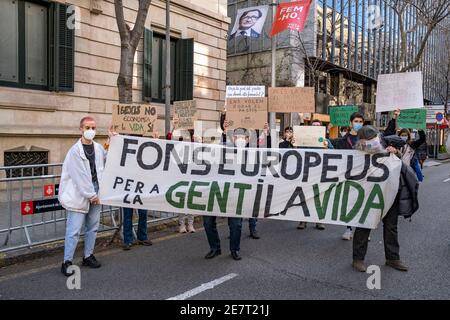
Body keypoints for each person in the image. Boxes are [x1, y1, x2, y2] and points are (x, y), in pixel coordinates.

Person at [352, 126, 419, 273]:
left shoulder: (387, 144)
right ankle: (358, 259)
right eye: (365, 141)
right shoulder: (357, 151)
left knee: (391, 226)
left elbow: (400, 159)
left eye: (372, 140)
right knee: (364, 225)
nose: (370, 144)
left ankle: (393, 258)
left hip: (390, 192)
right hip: (368, 193)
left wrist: (396, 152)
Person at [59, 116, 109, 276]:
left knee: (92, 227)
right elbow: (79, 177)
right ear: (81, 129)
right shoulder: (75, 151)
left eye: (93, 128)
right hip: (80, 194)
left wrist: (112, 140)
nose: (91, 131)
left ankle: (88, 256)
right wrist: (91, 195)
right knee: (73, 230)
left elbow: (107, 160)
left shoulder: (98, 148)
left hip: (96, 191)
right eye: (87, 128)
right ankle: (67, 262)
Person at [203, 128, 250, 261]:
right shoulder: (223, 149)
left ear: (247, 140)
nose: (239, 139)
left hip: (235, 193)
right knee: (207, 222)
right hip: (215, 191)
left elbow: (270, 154)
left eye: (242, 137)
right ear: (232, 138)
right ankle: (214, 248)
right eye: (236, 136)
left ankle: (234, 249)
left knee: (236, 225)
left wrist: (267, 135)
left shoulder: (253, 153)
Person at [296, 119, 332, 230]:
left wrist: (327, 147)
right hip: (306, 172)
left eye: (318, 126)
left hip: (320, 172)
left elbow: (334, 153)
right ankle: (303, 220)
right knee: (304, 196)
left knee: (318, 196)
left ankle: (318, 221)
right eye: (314, 125)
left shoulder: (325, 141)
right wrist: (295, 144)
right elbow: (297, 152)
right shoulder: (303, 140)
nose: (316, 127)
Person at [335, 112, 365, 240]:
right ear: (350, 123)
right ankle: (348, 228)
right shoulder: (343, 140)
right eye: (356, 121)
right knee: (348, 202)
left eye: (360, 121)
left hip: (364, 175)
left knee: (362, 202)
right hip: (348, 175)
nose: (358, 124)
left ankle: (362, 231)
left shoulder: (367, 138)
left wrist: (394, 119)